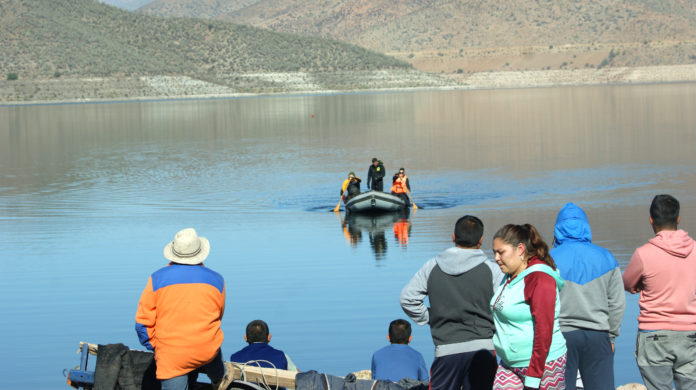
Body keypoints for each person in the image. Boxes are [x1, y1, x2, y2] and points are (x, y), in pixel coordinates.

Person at [401, 215, 504, 390]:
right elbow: (504, 304)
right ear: (480, 240)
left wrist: (431, 317)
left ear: (453, 237)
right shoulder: (492, 270)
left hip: (446, 350)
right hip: (483, 349)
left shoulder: (432, 266)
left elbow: (407, 298)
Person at [135, 228, 226, 390]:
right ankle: (219, 380)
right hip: (206, 349)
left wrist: (157, 346)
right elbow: (218, 316)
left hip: (172, 356)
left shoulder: (156, 279)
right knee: (214, 352)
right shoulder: (217, 280)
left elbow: (142, 324)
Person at [622, 194, 696, 390]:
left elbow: (627, 283)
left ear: (651, 220)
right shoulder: (695, 250)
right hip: (690, 334)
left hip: (654, 335)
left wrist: (640, 285)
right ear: (678, 219)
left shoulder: (643, 254)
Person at [550, 203, 625, 390]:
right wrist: (612, 335)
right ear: (586, 227)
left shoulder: (548, 261)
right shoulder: (606, 258)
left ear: (558, 229)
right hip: (598, 335)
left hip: (560, 337)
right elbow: (617, 303)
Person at [491, 224, 567, 390]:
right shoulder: (510, 276)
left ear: (520, 249)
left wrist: (533, 378)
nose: (496, 258)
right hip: (509, 363)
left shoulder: (540, 278)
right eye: (494, 253)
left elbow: (544, 330)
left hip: (544, 364)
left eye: (501, 252)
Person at [229, 319, 299, 372]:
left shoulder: (235, 358)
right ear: (269, 337)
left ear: (245, 338)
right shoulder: (281, 356)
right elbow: (299, 377)